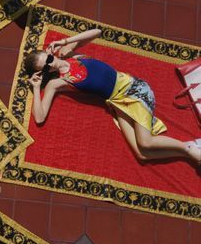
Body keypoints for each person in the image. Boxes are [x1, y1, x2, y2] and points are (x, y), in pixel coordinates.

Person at [24, 29, 201, 165]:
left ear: (48, 52)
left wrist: (64, 40)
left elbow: (97, 32)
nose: (50, 64)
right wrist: (37, 86)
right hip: (118, 103)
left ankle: (188, 147)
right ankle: (190, 148)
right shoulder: (57, 83)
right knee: (142, 155)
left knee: (145, 143)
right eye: (45, 68)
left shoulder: (68, 54)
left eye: (48, 59)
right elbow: (39, 117)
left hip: (133, 89)